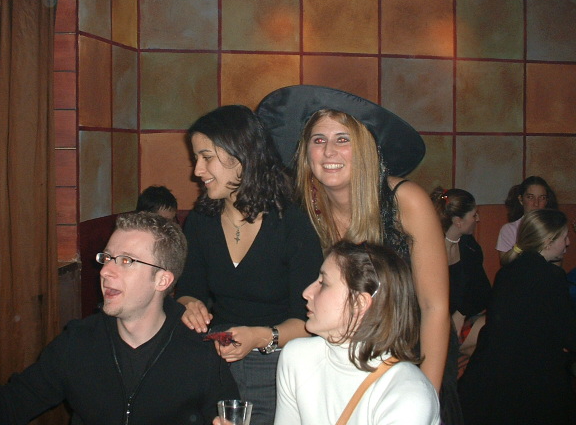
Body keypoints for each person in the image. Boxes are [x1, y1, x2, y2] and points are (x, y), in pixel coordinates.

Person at [0, 212, 239, 425]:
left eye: (126, 261)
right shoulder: (79, 342)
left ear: (162, 280)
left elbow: (226, 414)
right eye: (107, 258)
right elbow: (20, 396)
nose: (106, 271)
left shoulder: (201, 352)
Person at [257, 85, 449, 396]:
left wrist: (428, 394)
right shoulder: (304, 213)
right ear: (306, 152)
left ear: (365, 149)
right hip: (343, 368)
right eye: (319, 140)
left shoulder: (405, 201)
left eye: (342, 139)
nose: (328, 152)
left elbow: (434, 307)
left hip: (409, 361)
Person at [175, 105, 323, 425]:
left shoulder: (292, 223)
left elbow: (310, 322)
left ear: (242, 156)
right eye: (196, 158)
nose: (197, 170)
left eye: (206, 157)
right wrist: (190, 305)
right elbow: (188, 289)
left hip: (279, 362)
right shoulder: (201, 220)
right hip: (217, 356)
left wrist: (260, 337)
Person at [274, 241, 440, 424]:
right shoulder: (298, 357)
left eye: (324, 283)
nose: (307, 293)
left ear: (359, 304)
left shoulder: (407, 393)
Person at [459, 209, 576, 425]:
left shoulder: (507, 272)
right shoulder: (551, 276)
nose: (568, 243)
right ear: (548, 241)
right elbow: (567, 333)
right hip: (529, 382)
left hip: (491, 378)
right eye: (564, 237)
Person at [430, 188, 491, 371]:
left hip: (463, 317)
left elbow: (483, 291)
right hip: (434, 322)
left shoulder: (469, 246)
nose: (478, 219)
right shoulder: (431, 249)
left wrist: (461, 313)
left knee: (497, 329)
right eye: (474, 215)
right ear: (458, 221)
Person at [496, 175, 558, 260]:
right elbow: (505, 262)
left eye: (542, 198)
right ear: (521, 199)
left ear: (547, 201)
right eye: (530, 197)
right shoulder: (509, 229)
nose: (536, 203)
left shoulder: (555, 228)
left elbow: (557, 263)